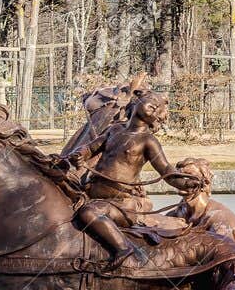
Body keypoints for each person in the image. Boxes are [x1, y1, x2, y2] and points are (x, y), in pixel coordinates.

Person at [61, 85, 198, 268]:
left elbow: (166, 170)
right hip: (92, 194)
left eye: (159, 108)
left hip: (121, 205)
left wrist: (186, 184)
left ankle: (123, 249)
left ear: (158, 118)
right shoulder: (114, 130)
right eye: (153, 101)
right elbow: (91, 148)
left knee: (89, 212)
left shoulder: (148, 141)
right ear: (138, 99)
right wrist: (80, 153)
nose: (155, 107)